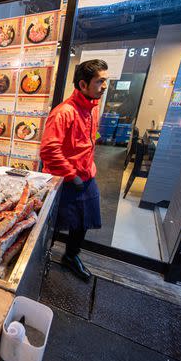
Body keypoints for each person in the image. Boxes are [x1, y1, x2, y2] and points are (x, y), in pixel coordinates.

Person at [40, 59, 108, 281]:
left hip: (87, 174)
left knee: (84, 220)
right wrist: (71, 175)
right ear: (83, 84)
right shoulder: (64, 112)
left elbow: (88, 138)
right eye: (100, 81)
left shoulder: (93, 108)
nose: (104, 86)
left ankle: (71, 256)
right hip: (65, 179)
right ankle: (39, 259)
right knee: (52, 225)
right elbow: (49, 150)